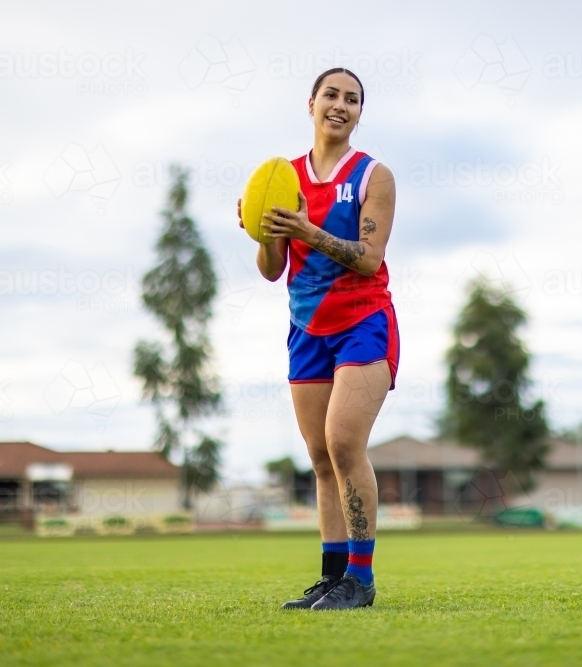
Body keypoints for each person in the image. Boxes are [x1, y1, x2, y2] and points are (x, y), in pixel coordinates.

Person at [238, 67, 398, 610]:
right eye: (331, 94)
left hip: (364, 323)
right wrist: (261, 233)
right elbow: (271, 268)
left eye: (352, 99)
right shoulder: (283, 176)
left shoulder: (373, 175)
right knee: (321, 458)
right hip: (306, 327)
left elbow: (368, 258)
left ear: (358, 113)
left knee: (345, 442)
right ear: (310, 104)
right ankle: (333, 578)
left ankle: (362, 579)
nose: (340, 105)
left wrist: (308, 230)